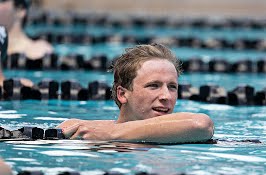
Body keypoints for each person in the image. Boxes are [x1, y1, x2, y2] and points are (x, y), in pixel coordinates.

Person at [58, 43, 214, 144]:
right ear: (122, 94)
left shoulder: (186, 131)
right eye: (154, 86)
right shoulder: (81, 131)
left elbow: (202, 124)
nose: (166, 96)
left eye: (172, 87)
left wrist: (113, 133)